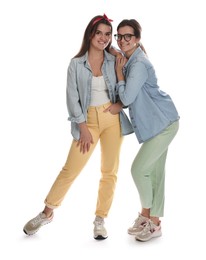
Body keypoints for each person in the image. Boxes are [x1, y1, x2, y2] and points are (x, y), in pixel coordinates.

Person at [23, 14, 133, 240]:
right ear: (90, 34)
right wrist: (82, 126)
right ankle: (47, 212)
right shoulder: (76, 64)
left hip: (112, 119)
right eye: (99, 33)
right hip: (88, 121)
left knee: (109, 172)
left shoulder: (114, 59)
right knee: (71, 169)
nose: (103, 38)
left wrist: (119, 103)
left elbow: (129, 82)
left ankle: (100, 219)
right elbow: (72, 98)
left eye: (107, 34)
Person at [111, 19, 180, 242]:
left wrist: (120, 77)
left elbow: (128, 97)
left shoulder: (138, 64)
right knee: (156, 174)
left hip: (164, 123)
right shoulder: (131, 57)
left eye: (127, 36)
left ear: (137, 39)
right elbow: (118, 53)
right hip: (158, 124)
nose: (122, 40)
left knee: (139, 169)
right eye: (119, 36)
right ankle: (154, 223)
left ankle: (147, 215)